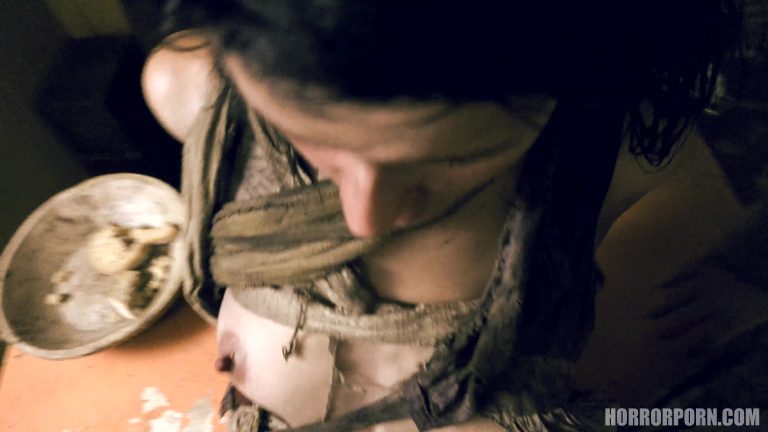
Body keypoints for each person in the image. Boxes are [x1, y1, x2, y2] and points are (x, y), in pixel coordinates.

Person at [142, 1, 766, 430]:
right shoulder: (195, 96)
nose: (365, 219)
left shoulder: (610, 151)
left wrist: (750, 280)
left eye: (451, 160)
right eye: (317, 143)